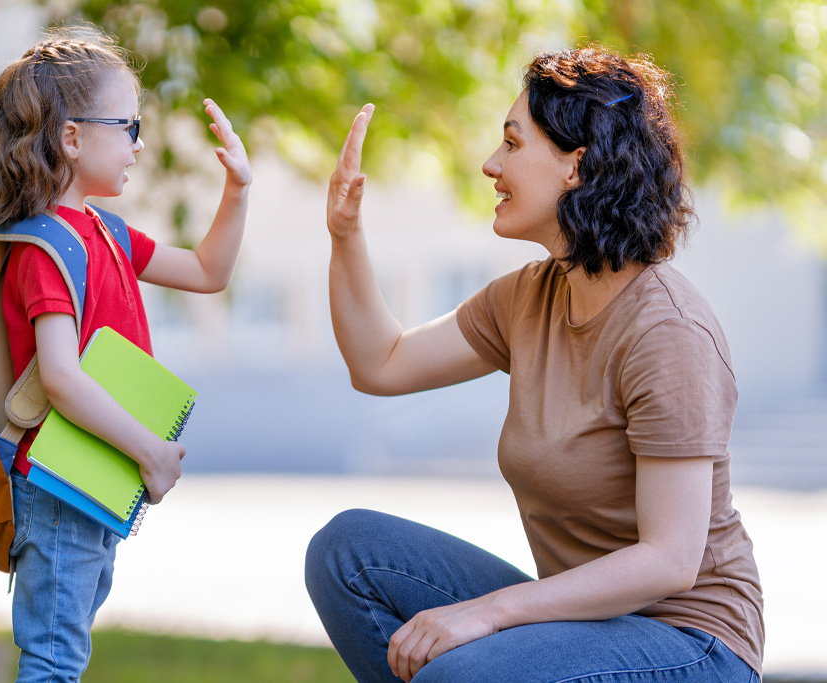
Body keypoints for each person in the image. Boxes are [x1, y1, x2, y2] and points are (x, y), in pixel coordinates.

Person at [305, 47, 763, 683]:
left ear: (576, 165)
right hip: (586, 625)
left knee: (460, 674)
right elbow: (381, 364)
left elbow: (669, 561)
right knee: (347, 552)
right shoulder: (529, 296)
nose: (491, 165)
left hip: (690, 643)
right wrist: (345, 234)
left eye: (512, 144)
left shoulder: (668, 332)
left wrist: (489, 615)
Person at [0, 28, 251, 681]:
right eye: (128, 125)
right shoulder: (46, 249)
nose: (139, 142)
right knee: (54, 655)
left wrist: (237, 190)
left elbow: (209, 269)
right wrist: (148, 450)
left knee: (65, 644)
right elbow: (62, 378)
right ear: (72, 137)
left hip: (94, 476)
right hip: (62, 481)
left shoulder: (107, 233)